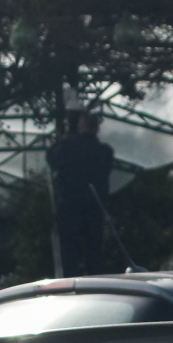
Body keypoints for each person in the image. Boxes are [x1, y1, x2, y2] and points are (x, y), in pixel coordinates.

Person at [44, 111, 117, 276]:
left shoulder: (66, 148)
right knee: (94, 255)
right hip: (95, 208)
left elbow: (51, 158)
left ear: (80, 126)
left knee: (71, 258)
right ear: (97, 129)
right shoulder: (105, 152)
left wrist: (66, 139)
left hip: (69, 210)